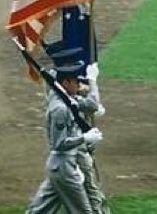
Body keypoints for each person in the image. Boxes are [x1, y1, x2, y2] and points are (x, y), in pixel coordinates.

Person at [24, 62, 103, 214]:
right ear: (65, 83)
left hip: (63, 166)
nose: (78, 85)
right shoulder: (60, 108)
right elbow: (59, 144)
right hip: (64, 167)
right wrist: (84, 138)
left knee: (41, 209)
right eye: (75, 82)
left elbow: (88, 105)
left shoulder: (67, 99)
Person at [75, 63, 111, 214]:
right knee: (91, 190)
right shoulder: (64, 98)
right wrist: (92, 80)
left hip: (79, 150)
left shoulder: (63, 92)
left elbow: (91, 104)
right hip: (76, 151)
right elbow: (92, 104)